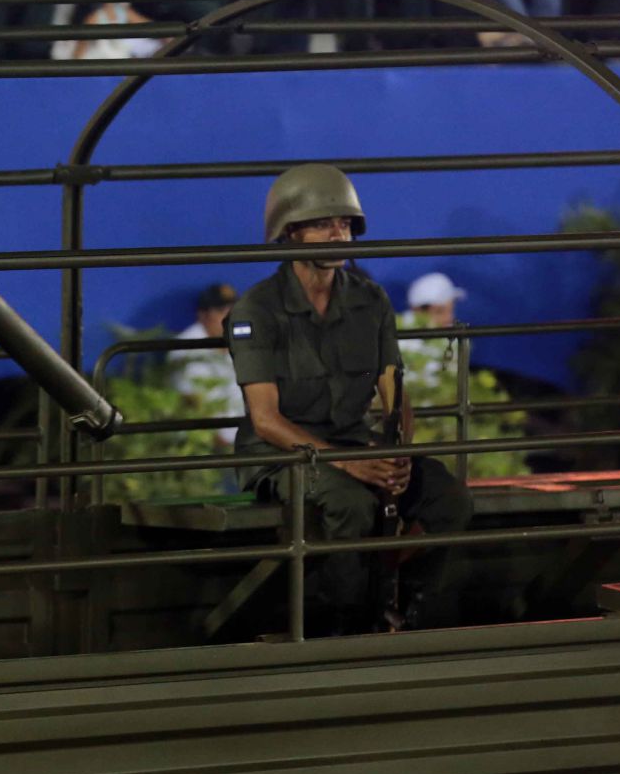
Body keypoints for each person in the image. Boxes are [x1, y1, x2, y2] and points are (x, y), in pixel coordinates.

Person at [227, 164, 473, 634]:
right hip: (284, 457)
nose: (337, 234)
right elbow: (266, 421)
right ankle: (348, 629)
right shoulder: (258, 309)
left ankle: (410, 607)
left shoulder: (369, 301)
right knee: (351, 506)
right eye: (323, 224)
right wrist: (351, 464)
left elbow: (393, 390)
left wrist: (396, 456)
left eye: (344, 224)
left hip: (354, 445)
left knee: (450, 500)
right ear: (290, 232)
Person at [174, 282, 244, 446]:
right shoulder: (184, 350)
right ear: (202, 315)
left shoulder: (242, 344)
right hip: (207, 450)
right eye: (221, 311)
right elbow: (191, 408)